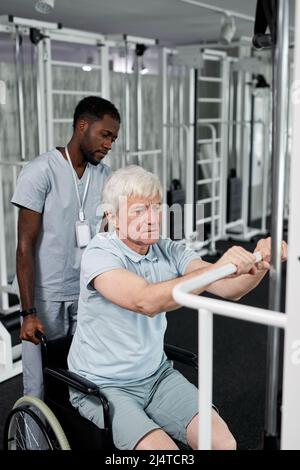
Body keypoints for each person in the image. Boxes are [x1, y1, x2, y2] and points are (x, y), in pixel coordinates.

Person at [68, 165, 287, 451]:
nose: (151, 219)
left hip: (156, 375)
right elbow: (145, 301)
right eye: (138, 211)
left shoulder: (167, 248)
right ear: (113, 217)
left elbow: (227, 288)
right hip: (104, 386)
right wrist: (219, 268)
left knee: (222, 442)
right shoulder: (99, 254)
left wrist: (261, 264)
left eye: (155, 207)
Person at [11, 96, 120, 400]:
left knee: (83, 378)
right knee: (39, 385)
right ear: (82, 126)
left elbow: (109, 240)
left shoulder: (106, 176)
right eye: (105, 135)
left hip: (87, 293)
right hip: (46, 298)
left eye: (113, 138)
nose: (110, 144)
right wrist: (29, 312)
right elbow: (24, 247)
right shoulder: (40, 171)